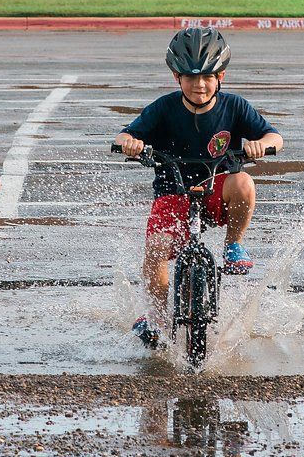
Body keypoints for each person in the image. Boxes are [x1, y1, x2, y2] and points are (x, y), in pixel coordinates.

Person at [114, 27, 284, 348]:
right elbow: (124, 135)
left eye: (207, 76)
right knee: (156, 249)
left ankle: (233, 246)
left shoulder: (234, 107)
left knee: (244, 182)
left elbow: (275, 137)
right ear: (176, 78)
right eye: (190, 78)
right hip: (173, 192)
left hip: (218, 191)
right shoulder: (163, 108)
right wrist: (131, 144)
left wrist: (261, 146)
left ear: (221, 76)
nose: (199, 84)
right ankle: (156, 315)